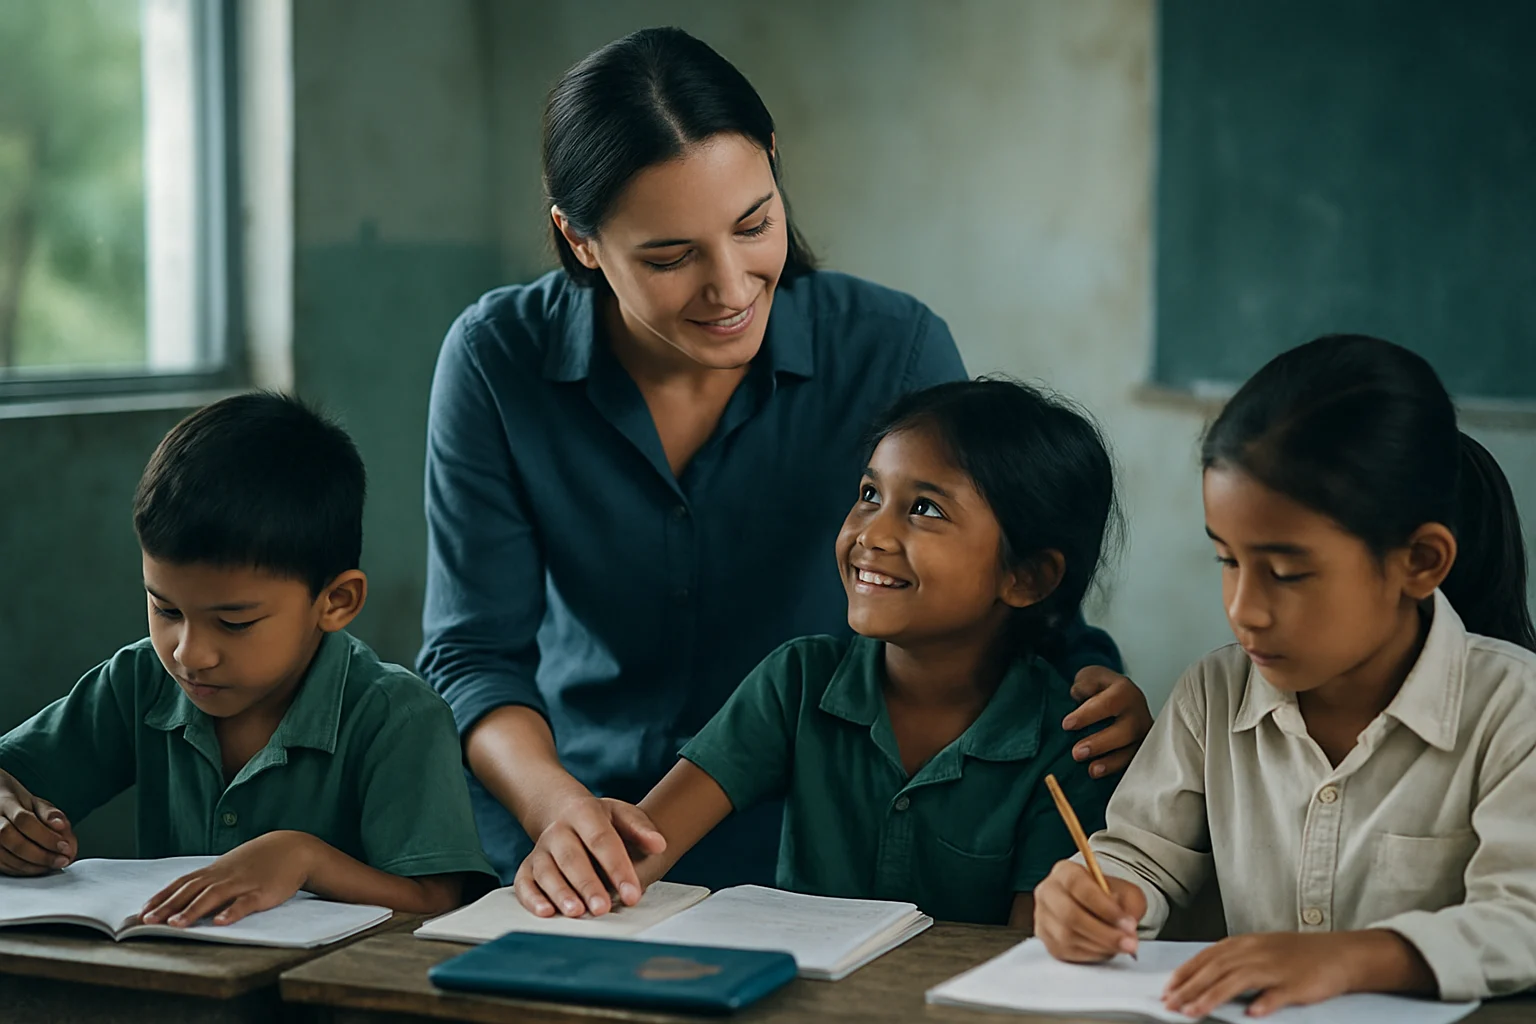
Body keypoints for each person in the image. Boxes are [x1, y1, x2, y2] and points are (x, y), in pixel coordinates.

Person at [418, 25, 1153, 892]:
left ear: (773, 160)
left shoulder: (892, 349)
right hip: (569, 841)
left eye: (754, 224)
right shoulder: (496, 359)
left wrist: (1096, 686)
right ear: (580, 241)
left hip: (818, 859)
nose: (731, 288)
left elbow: (1006, 588)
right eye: (670, 256)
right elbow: (474, 654)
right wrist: (555, 807)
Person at [1034, 336, 1536, 1012]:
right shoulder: (1212, 696)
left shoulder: (1514, 710)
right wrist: (1099, 897)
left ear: (1419, 562)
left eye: (1288, 572)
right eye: (1227, 560)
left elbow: (1523, 918)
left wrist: (1352, 959)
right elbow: (1140, 854)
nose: (1244, 610)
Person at [513, 380, 1121, 926]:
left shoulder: (1069, 745)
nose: (871, 534)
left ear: (1026, 577)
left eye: (925, 509)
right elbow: (643, 849)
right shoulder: (798, 682)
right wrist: (582, 860)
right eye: (869, 493)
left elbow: (1032, 957)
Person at [0, 393, 494, 925]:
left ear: (335, 601)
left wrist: (305, 859)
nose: (188, 653)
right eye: (166, 609)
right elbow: (12, 771)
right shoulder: (140, 682)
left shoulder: (397, 717)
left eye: (234, 623)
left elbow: (436, 900)